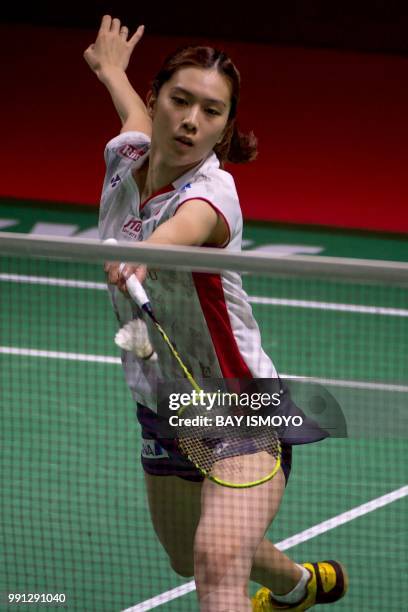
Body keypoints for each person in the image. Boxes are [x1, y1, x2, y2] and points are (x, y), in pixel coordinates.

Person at [84, 15, 348, 611]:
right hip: (169, 408)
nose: (191, 121)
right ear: (157, 100)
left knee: (213, 561)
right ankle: (300, 587)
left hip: (240, 405)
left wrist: (141, 255)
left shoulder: (213, 193)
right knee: (190, 552)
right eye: (179, 101)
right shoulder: (126, 158)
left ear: (226, 126)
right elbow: (133, 121)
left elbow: (186, 225)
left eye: (212, 111)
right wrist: (111, 72)